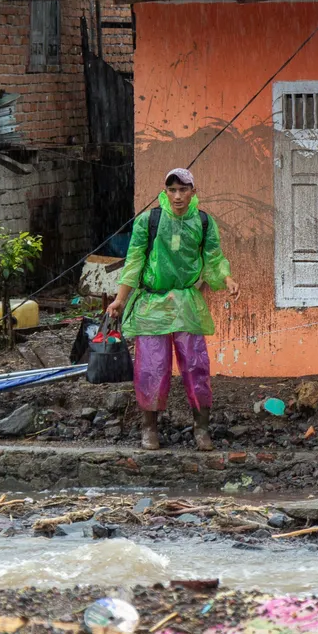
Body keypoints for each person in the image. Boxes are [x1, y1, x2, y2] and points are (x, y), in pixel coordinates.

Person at [106, 168, 239, 451]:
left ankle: (201, 428)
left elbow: (213, 257)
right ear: (165, 191)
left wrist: (226, 279)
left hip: (187, 302)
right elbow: (134, 261)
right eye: (172, 190)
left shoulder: (203, 222)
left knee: (195, 365)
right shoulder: (149, 220)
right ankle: (149, 427)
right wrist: (120, 299)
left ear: (193, 191)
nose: (178, 196)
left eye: (183, 189)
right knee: (151, 367)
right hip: (152, 303)